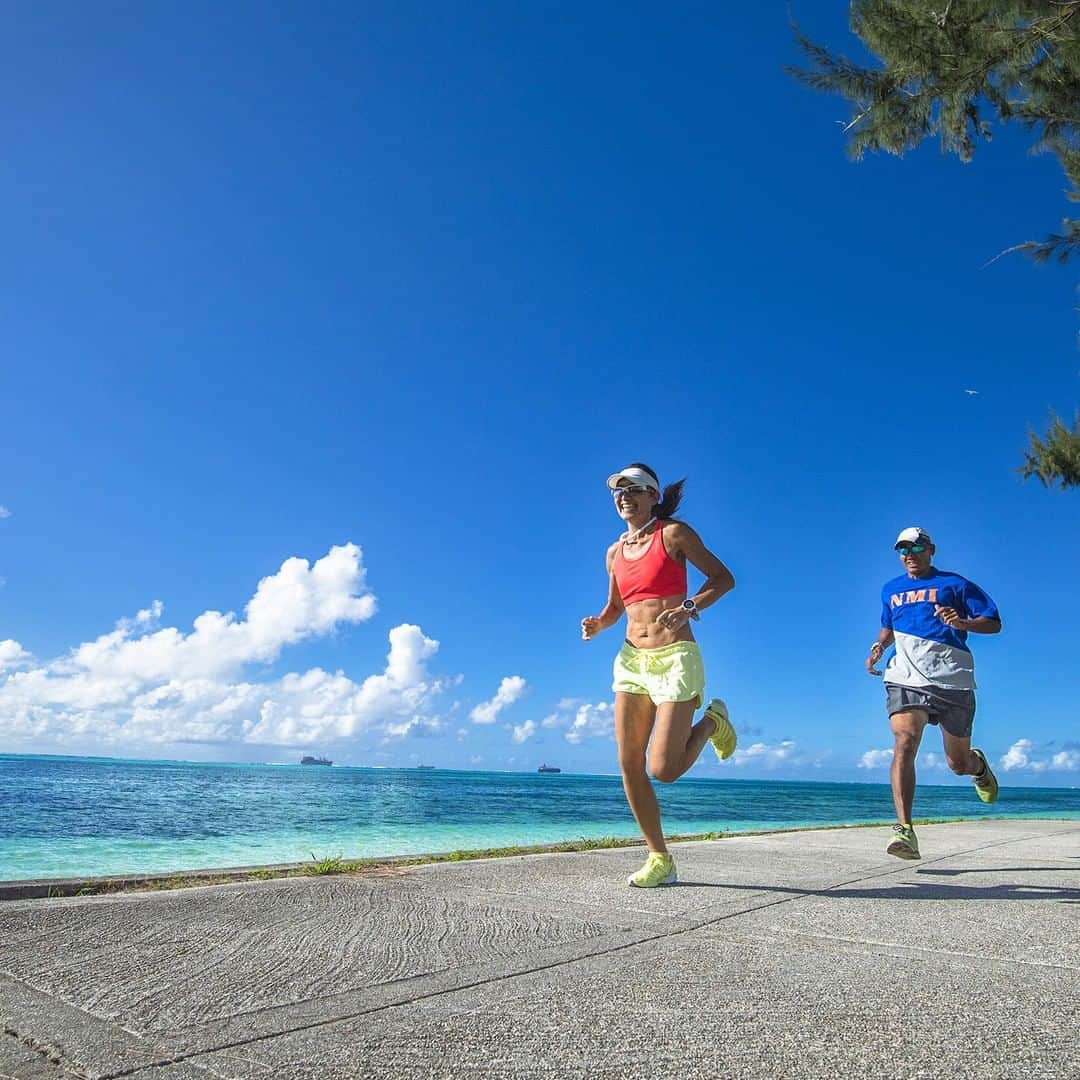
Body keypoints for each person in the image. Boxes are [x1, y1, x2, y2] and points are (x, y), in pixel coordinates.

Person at [580, 463, 737, 887]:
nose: (624, 496)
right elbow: (615, 608)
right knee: (629, 762)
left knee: (663, 769)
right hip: (632, 660)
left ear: (653, 495)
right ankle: (659, 857)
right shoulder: (614, 553)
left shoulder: (674, 534)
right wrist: (598, 623)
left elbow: (724, 579)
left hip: (675, 656)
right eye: (618, 492)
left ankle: (712, 723)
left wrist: (688, 607)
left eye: (634, 489)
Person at [867, 527, 1002, 860]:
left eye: (916, 547)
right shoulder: (891, 589)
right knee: (905, 741)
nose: (909, 554)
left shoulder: (955, 584)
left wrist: (964, 624)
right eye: (902, 550)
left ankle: (978, 767)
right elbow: (889, 624)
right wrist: (880, 647)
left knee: (957, 763)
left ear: (931, 549)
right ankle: (905, 830)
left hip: (952, 680)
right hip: (905, 677)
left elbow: (993, 622)